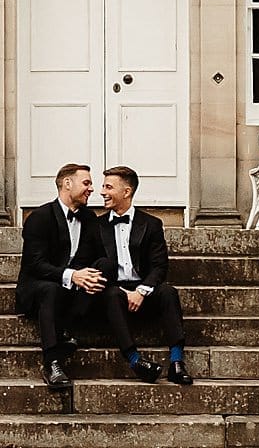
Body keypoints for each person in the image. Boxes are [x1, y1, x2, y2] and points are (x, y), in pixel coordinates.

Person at [14, 161, 114, 391]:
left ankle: (66, 323)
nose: (91, 189)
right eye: (86, 183)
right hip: (39, 288)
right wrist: (72, 275)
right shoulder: (40, 217)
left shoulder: (89, 218)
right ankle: (53, 362)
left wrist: (85, 275)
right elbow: (35, 264)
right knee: (51, 289)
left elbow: (97, 257)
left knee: (105, 265)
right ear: (67, 184)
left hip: (73, 293)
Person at [98, 164, 194, 385]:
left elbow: (160, 266)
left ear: (126, 192)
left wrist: (141, 291)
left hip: (144, 289)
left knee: (168, 293)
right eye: (103, 186)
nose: (102, 192)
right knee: (112, 295)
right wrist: (124, 291)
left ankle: (177, 363)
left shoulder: (151, 224)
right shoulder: (97, 225)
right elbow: (95, 265)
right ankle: (135, 361)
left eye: (108, 187)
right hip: (114, 291)